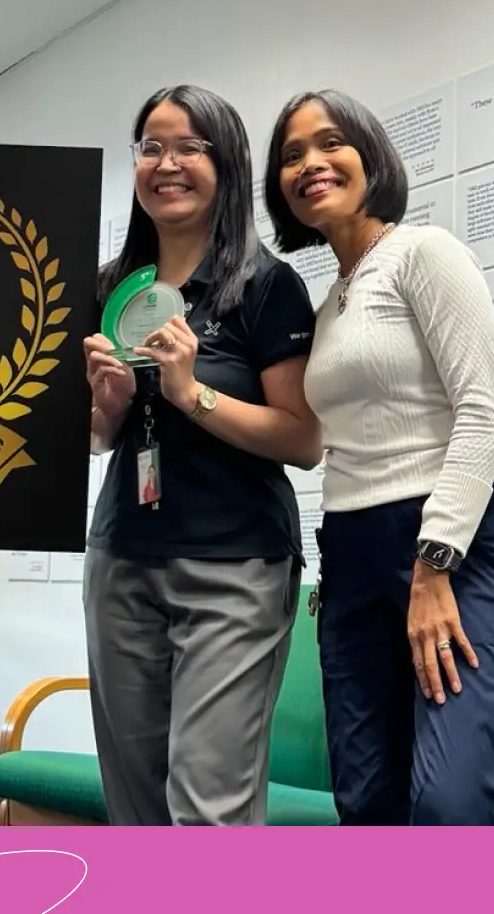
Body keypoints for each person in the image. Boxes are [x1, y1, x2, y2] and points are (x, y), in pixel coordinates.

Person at [262, 89, 494, 826]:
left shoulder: (425, 254)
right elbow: (316, 444)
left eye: (330, 142)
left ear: (370, 155)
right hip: (349, 554)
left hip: (447, 548)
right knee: (367, 798)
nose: (311, 163)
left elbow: (484, 412)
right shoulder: (331, 302)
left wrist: (433, 564)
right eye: (291, 155)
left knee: (450, 798)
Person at [83, 83, 321, 826]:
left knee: (206, 809)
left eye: (190, 146)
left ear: (228, 165)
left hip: (234, 566)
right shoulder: (112, 288)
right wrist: (111, 405)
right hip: (123, 554)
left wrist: (191, 393)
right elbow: (94, 438)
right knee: (135, 804)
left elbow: (304, 438)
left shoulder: (266, 285)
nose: (167, 162)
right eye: (152, 146)